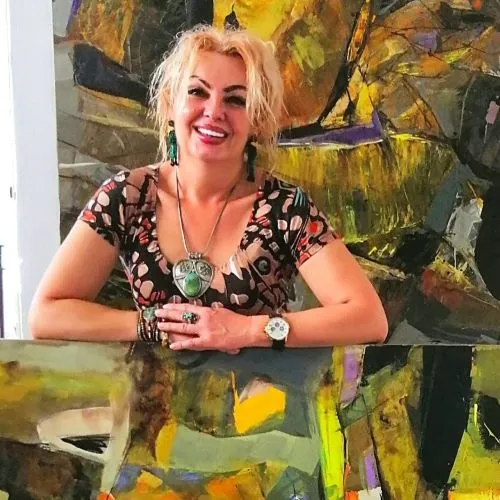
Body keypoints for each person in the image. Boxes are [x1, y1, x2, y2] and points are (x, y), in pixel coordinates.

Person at [29, 25, 388, 352]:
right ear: (170, 105)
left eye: (236, 99)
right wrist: (151, 325)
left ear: (257, 119)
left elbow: (369, 319)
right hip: (152, 396)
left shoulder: (284, 208)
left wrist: (248, 330)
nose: (214, 111)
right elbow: (46, 315)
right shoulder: (127, 197)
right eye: (197, 92)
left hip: (262, 398)